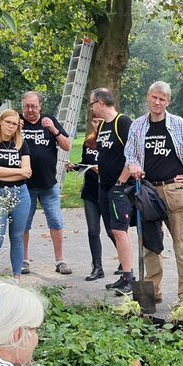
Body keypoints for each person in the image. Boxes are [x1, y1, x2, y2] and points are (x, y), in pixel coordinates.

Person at [124, 81, 183, 308]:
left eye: (162, 99)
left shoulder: (179, 125)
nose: (157, 102)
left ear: (168, 101)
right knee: (149, 246)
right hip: (147, 191)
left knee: (182, 246)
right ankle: (151, 294)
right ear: (148, 97)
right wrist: (133, 166)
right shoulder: (138, 126)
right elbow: (129, 153)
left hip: (175, 190)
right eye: (154, 98)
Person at [87, 88, 138, 296]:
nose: (90, 108)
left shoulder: (122, 122)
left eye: (91, 104)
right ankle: (124, 274)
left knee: (119, 230)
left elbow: (133, 153)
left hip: (119, 187)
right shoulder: (103, 126)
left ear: (100, 102)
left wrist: (121, 181)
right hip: (104, 186)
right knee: (112, 231)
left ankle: (129, 278)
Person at [18, 91, 73, 276]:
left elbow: (67, 146)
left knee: (56, 221)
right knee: (24, 224)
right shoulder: (16, 121)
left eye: (34, 106)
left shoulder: (49, 121)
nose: (30, 110)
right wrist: (14, 130)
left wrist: (54, 130)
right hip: (25, 185)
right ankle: (23, 261)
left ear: (40, 106)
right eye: (27, 106)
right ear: (22, 106)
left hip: (49, 184)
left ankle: (60, 261)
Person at [0, 109, 32, 279]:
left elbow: (27, 172)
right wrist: (18, 172)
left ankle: (16, 278)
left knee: (17, 237)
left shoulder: (22, 144)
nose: (11, 126)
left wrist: (10, 173)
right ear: (0, 122)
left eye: (15, 124)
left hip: (20, 194)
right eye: (8, 122)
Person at [71, 113, 112, 281]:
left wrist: (100, 169)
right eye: (94, 121)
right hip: (90, 191)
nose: (96, 124)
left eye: (100, 121)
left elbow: (118, 167)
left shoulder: (113, 142)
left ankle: (124, 265)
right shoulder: (88, 142)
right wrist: (74, 167)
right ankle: (97, 267)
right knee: (93, 231)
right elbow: (84, 162)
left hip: (108, 191)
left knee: (113, 231)